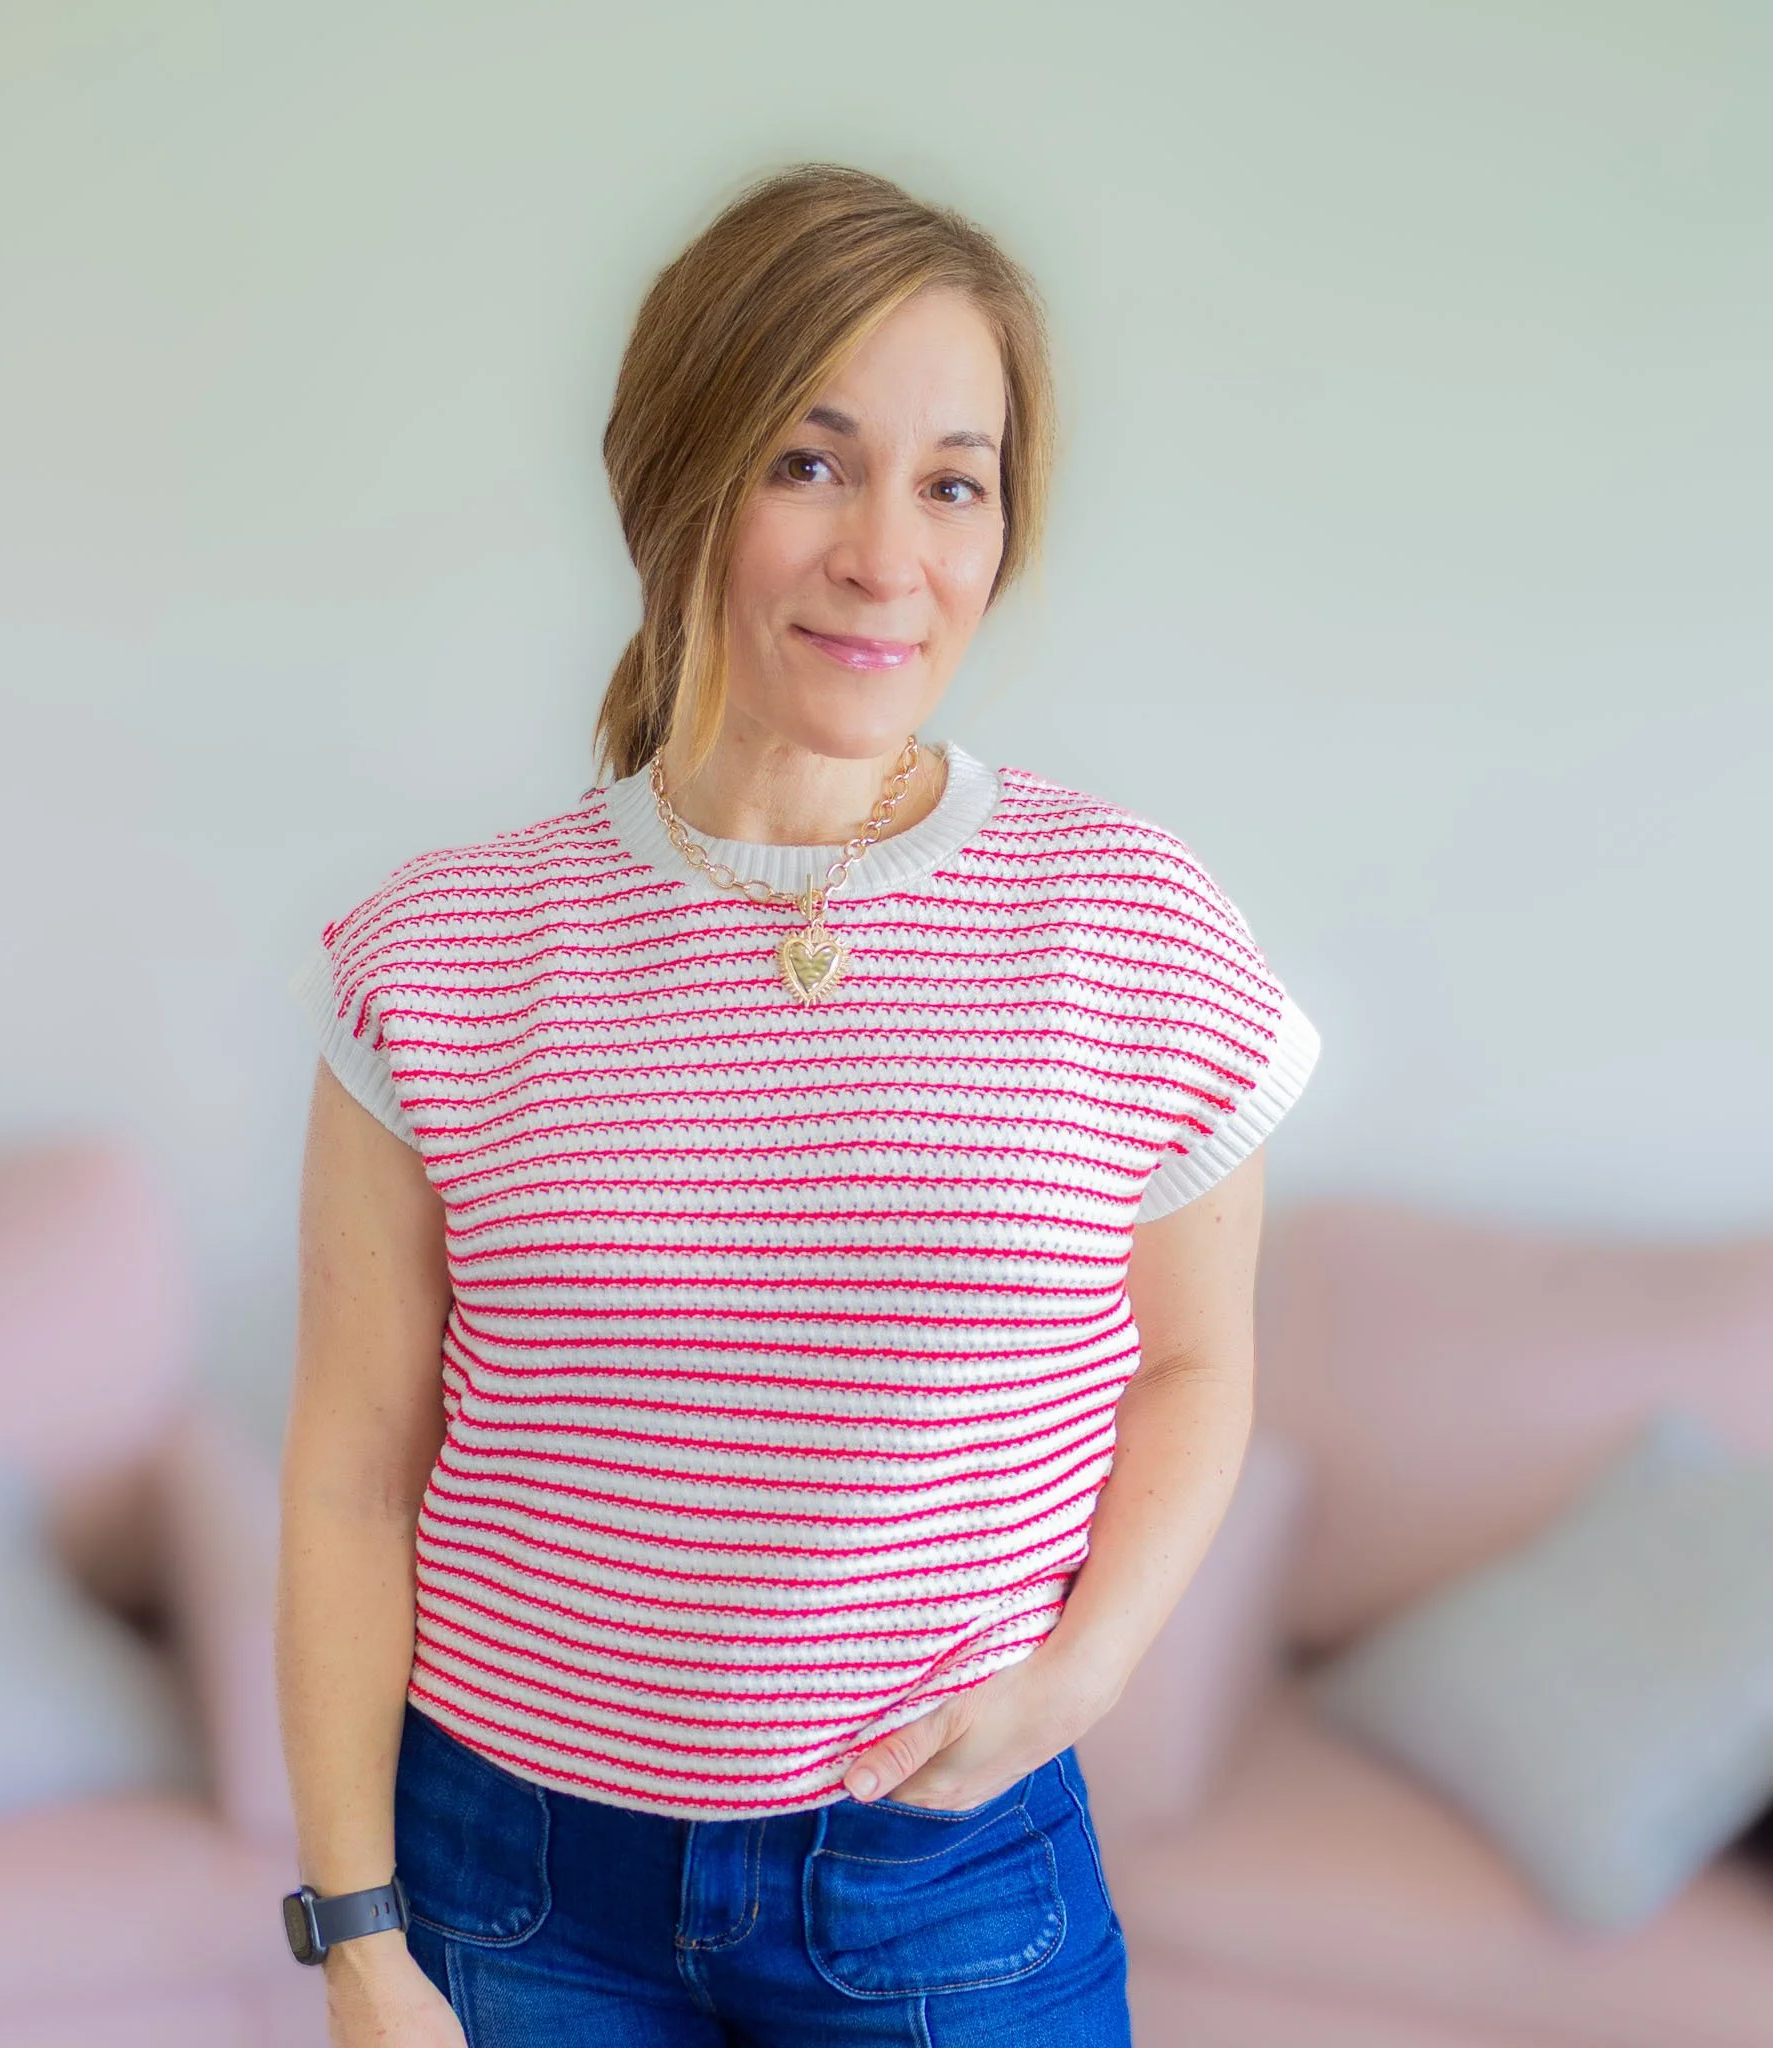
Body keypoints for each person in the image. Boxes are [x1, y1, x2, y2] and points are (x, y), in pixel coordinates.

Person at [277, 161, 1321, 2048]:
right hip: (512, 1893)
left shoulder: (1133, 925)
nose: (888, 559)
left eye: (953, 481)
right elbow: (354, 1470)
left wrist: (1081, 1679)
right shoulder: (439, 955)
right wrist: (358, 1934)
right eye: (810, 462)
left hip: (948, 1883)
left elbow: (1194, 1369)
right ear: (677, 479)